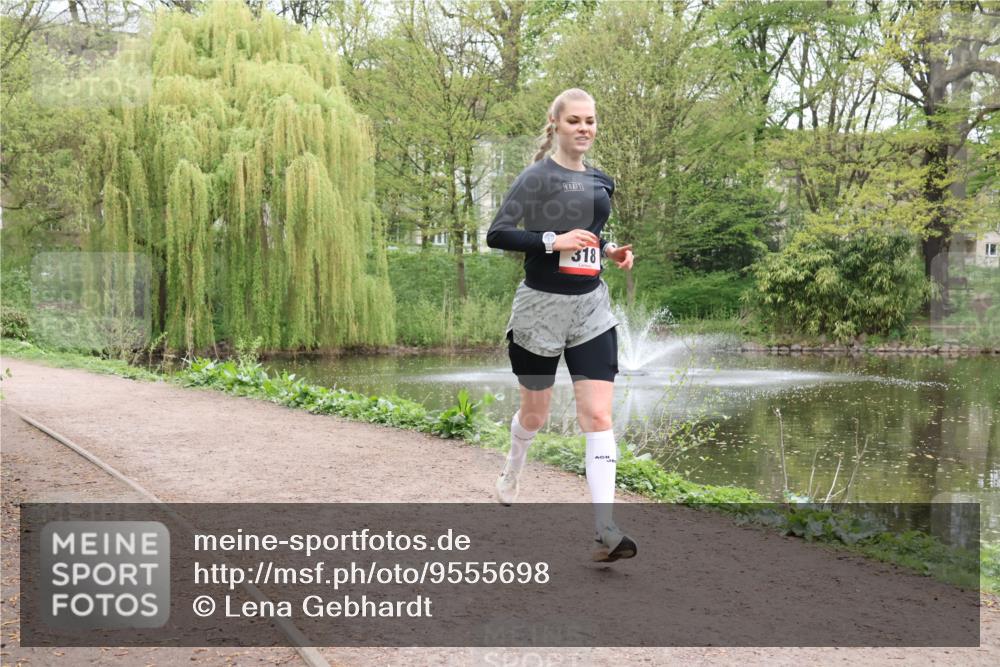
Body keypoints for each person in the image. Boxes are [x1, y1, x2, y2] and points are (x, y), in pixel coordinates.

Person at [486, 88, 636, 562]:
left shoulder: (601, 182)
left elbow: (590, 233)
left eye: (590, 121)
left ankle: (605, 529)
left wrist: (610, 251)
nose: (584, 128)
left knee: (598, 415)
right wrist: (552, 240)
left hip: (592, 307)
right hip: (540, 310)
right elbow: (498, 234)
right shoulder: (535, 177)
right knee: (536, 415)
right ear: (556, 126)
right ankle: (513, 468)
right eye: (575, 121)